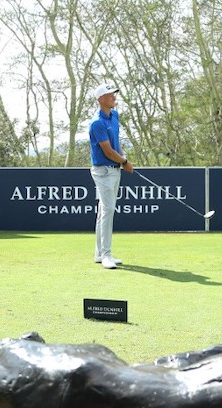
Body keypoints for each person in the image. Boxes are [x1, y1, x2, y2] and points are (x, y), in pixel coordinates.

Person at [89, 83, 133, 269]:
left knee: (103, 212)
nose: (114, 97)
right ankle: (106, 255)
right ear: (101, 99)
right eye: (110, 95)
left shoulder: (114, 116)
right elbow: (107, 151)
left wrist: (123, 159)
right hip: (103, 171)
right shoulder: (97, 123)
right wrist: (124, 162)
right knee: (108, 211)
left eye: (114, 94)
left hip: (115, 169)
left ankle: (99, 253)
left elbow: (116, 142)